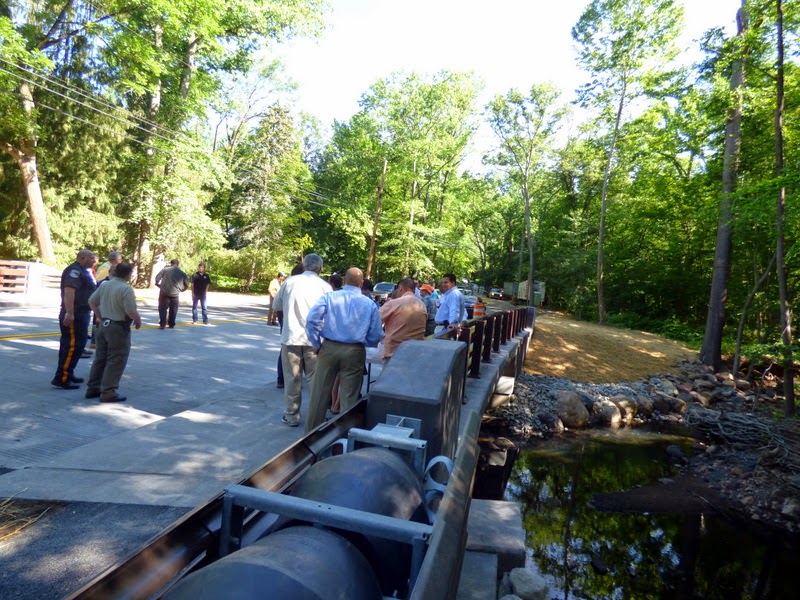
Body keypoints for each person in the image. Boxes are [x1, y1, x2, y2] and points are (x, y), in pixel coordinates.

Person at [305, 267, 384, 433]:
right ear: (361, 283)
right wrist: (365, 342)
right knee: (349, 399)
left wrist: (317, 344)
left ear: (344, 280)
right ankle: (346, 438)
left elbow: (312, 320)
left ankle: (310, 436)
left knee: (319, 395)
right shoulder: (369, 304)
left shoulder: (330, 297)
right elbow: (376, 334)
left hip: (329, 347)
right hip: (354, 350)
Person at [272, 254, 332, 427]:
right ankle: (317, 417)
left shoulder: (289, 282)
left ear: (304, 266)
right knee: (315, 379)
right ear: (320, 268)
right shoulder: (325, 287)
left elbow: (276, 305)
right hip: (314, 340)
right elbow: (330, 314)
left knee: (292, 378)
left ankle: (291, 416)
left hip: (291, 336)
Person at [85, 263, 142, 402]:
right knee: (116, 359)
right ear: (129, 274)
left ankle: (93, 387)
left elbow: (91, 301)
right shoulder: (126, 289)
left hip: (103, 325)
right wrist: (137, 319)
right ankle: (108, 391)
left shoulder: (105, 285)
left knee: (100, 358)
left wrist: (99, 315)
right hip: (118, 327)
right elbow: (130, 311)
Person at [51, 249, 97, 389]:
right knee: (72, 346)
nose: (94, 260)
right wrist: (69, 313)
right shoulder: (74, 271)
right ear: (82, 258)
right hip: (75, 314)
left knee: (77, 345)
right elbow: (69, 291)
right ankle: (62, 378)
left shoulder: (83, 270)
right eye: (91, 257)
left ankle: (68, 373)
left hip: (82, 313)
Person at [379, 278, 427, 362]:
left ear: (400, 288)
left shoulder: (394, 303)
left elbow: (375, 321)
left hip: (394, 353)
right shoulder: (422, 306)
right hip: (415, 353)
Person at [275, 264, 305, 390]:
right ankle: (289, 379)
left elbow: (277, 305)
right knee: (299, 352)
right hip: (297, 325)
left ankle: (282, 379)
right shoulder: (298, 285)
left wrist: (282, 320)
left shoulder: (287, 284)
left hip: (287, 323)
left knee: (285, 350)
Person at [155, 259, 189, 329]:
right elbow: (187, 284)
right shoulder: (182, 273)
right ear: (178, 264)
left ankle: (162, 324)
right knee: (173, 309)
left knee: (162, 308)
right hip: (175, 293)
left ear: (171, 264)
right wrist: (182, 290)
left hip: (164, 292)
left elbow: (157, 278)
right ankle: (171, 324)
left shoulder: (165, 270)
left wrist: (158, 285)